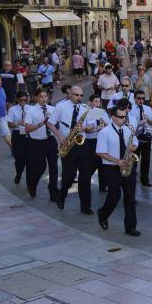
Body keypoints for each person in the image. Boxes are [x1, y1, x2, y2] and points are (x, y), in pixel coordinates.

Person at [96, 105, 140, 236]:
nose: (124, 119)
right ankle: (103, 214)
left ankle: (130, 227)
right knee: (114, 196)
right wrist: (117, 161)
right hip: (112, 168)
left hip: (127, 166)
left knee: (130, 198)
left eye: (125, 116)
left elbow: (135, 143)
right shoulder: (104, 132)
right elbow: (100, 152)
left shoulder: (128, 130)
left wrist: (134, 147)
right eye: (121, 117)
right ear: (113, 117)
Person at [49, 86, 94, 214]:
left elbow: (92, 125)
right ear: (69, 94)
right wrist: (59, 137)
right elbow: (50, 123)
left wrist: (85, 128)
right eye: (76, 95)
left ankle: (85, 207)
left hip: (83, 144)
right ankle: (62, 196)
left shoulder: (86, 108)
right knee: (68, 176)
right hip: (67, 145)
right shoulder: (61, 107)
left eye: (81, 95)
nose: (79, 97)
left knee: (85, 178)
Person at [23, 88, 58, 201]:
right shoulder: (31, 111)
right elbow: (27, 129)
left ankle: (53, 193)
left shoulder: (53, 109)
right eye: (41, 96)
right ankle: (32, 185)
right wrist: (41, 124)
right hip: (37, 142)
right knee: (40, 168)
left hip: (51, 140)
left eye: (45, 96)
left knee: (54, 167)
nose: (44, 98)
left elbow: (57, 124)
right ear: (36, 98)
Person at [84, 94, 108, 194]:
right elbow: (87, 130)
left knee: (102, 165)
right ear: (90, 102)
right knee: (92, 164)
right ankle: (85, 184)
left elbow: (109, 125)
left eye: (99, 101)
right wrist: (97, 128)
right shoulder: (88, 113)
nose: (98, 103)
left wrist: (104, 123)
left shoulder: (103, 112)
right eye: (95, 101)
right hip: (92, 141)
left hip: (102, 141)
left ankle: (103, 186)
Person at [129, 90, 152, 187]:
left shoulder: (147, 108)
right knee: (134, 159)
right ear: (134, 98)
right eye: (139, 98)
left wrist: (147, 119)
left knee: (146, 159)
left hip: (146, 135)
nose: (141, 100)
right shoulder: (131, 110)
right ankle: (132, 178)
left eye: (143, 98)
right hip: (136, 136)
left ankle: (145, 180)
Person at [7, 91, 30, 184]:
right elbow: (10, 124)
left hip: (29, 134)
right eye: (21, 100)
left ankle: (29, 181)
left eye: (25, 100)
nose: (23, 102)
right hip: (17, 134)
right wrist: (18, 123)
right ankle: (19, 173)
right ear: (17, 99)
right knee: (19, 159)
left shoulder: (31, 108)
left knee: (29, 159)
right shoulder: (12, 109)